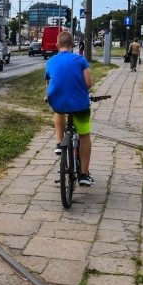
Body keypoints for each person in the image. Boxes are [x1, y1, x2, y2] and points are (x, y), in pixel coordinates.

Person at [43, 30, 94, 186]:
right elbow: (88, 84)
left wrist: (47, 95)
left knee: (58, 109)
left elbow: (51, 82)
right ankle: (84, 174)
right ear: (73, 45)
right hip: (80, 104)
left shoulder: (51, 61)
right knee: (84, 135)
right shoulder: (80, 60)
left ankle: (59, 143)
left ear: (57, 45)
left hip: (58, 102)